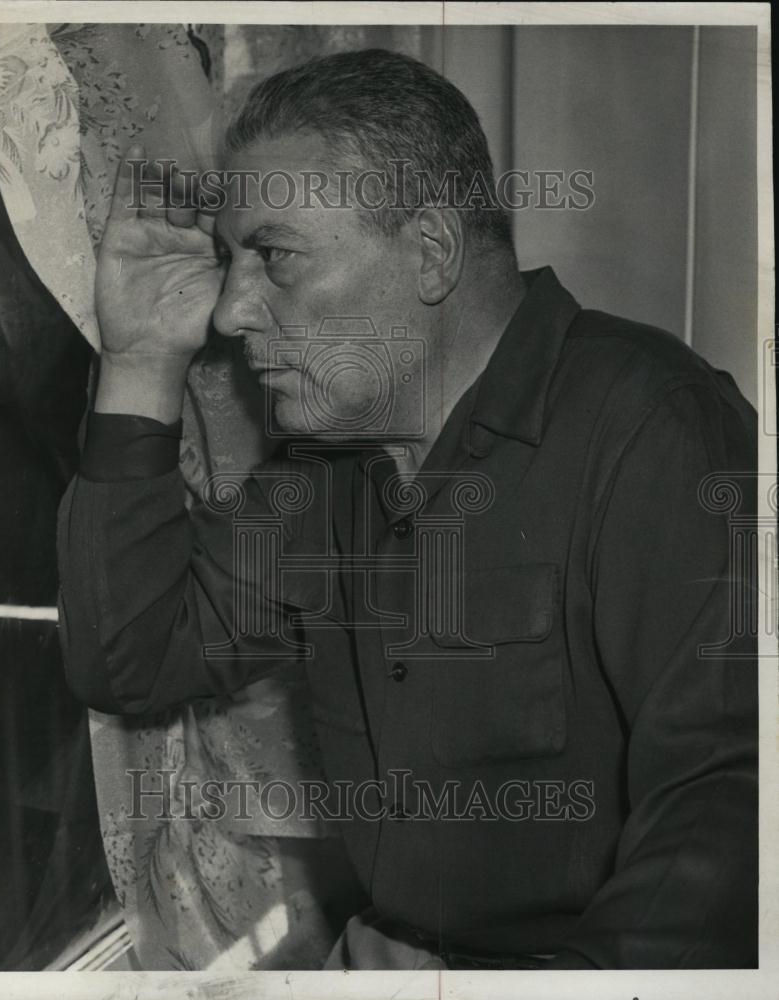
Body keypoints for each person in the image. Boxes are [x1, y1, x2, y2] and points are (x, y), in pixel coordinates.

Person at [56, 49, 758, 969]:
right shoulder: (327, 470)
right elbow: (131, 661)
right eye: (232, 261)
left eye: (274, 257)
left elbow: (731, 807)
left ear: (429, 252)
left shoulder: (654, 429)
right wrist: (141, 364)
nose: (229, 315)